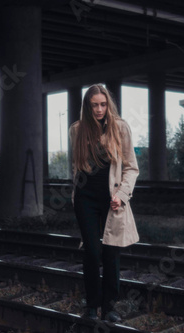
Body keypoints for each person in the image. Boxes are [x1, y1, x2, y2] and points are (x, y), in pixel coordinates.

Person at [69, 84, 139, 322]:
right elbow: (76, 168)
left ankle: (109, 308)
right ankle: (91, 306)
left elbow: (131, 168)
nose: (99, 109)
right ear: (87, 107)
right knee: (91, 251)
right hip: (85, 198)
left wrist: (122, 195)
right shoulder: (77, 130)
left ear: (108, 104)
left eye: (102, 104)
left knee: (111, 253)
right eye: (94, 105)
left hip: (113, 200)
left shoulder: (120, 128)